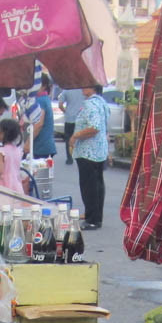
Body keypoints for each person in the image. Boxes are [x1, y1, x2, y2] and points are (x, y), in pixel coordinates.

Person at [69, 82, 110, 230]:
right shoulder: (102, 103)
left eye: (86, 85)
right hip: (99, 150)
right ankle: (94, 215)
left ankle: (92, 219)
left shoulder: (90, 104)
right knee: (97, 184)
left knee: (89, 186)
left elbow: (94, 127)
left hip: (88, 151)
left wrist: (75, 136)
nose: (82, 87)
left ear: (93, 87)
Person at [0, 118, 25, 192]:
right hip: (17, 186)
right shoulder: (18, 150)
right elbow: (9, 164)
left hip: (4, 187)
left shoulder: (0, 151)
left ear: (3, 134)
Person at [31, 73, 57, 159]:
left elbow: (39, 124)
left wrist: (28, 143)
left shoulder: (40, 100)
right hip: (45, 146)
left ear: (44, 86)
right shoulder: (45, 98)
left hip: (41, 147)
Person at [59, 86, 84, 164]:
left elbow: (60, 105)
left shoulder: (66, 90)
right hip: (80, 118)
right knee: (81, 138)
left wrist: (66, 111)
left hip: (69, 118)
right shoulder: (83, 90)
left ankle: (69, 158)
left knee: (68, 139)